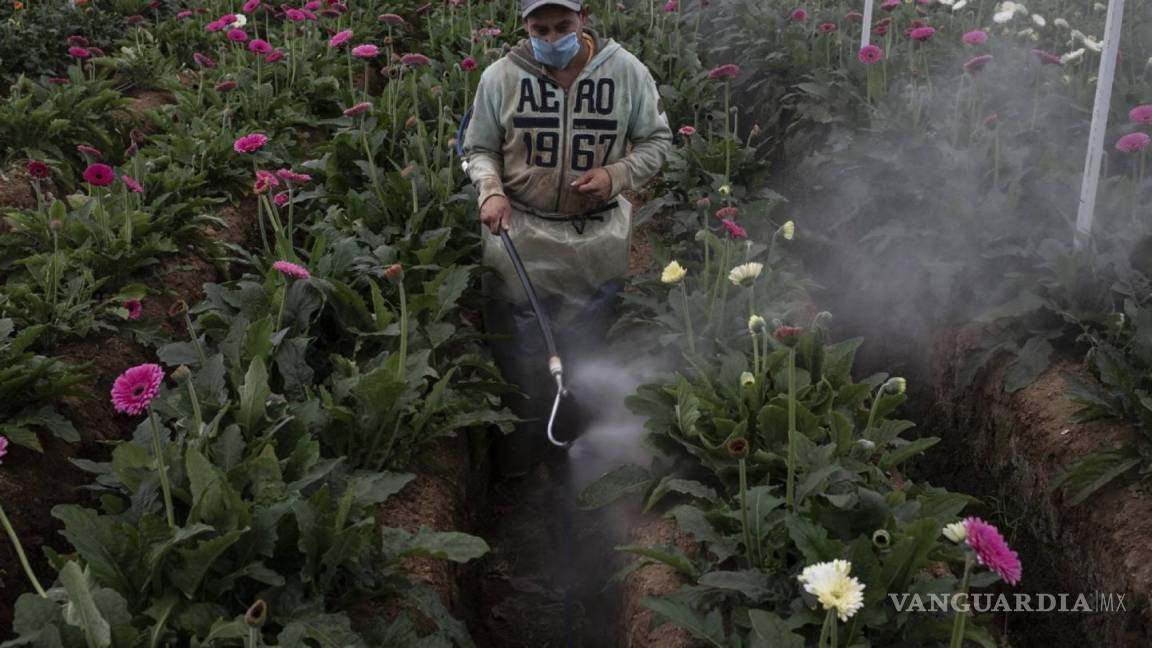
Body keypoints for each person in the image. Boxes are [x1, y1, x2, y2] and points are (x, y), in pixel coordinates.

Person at [461, 0, 672, 478]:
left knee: (587, 346)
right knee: (520, 355)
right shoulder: (500, 77)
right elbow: (479, 148)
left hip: (596, 238)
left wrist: (617, 175)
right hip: (520, 235)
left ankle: (579, 458)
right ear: (525, 27)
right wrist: (491, 193)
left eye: (563, 26)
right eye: (541, 28)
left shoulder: (626, 73)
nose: (552, 38)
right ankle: (520, 460)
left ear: (584, 20)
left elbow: (657, 141)